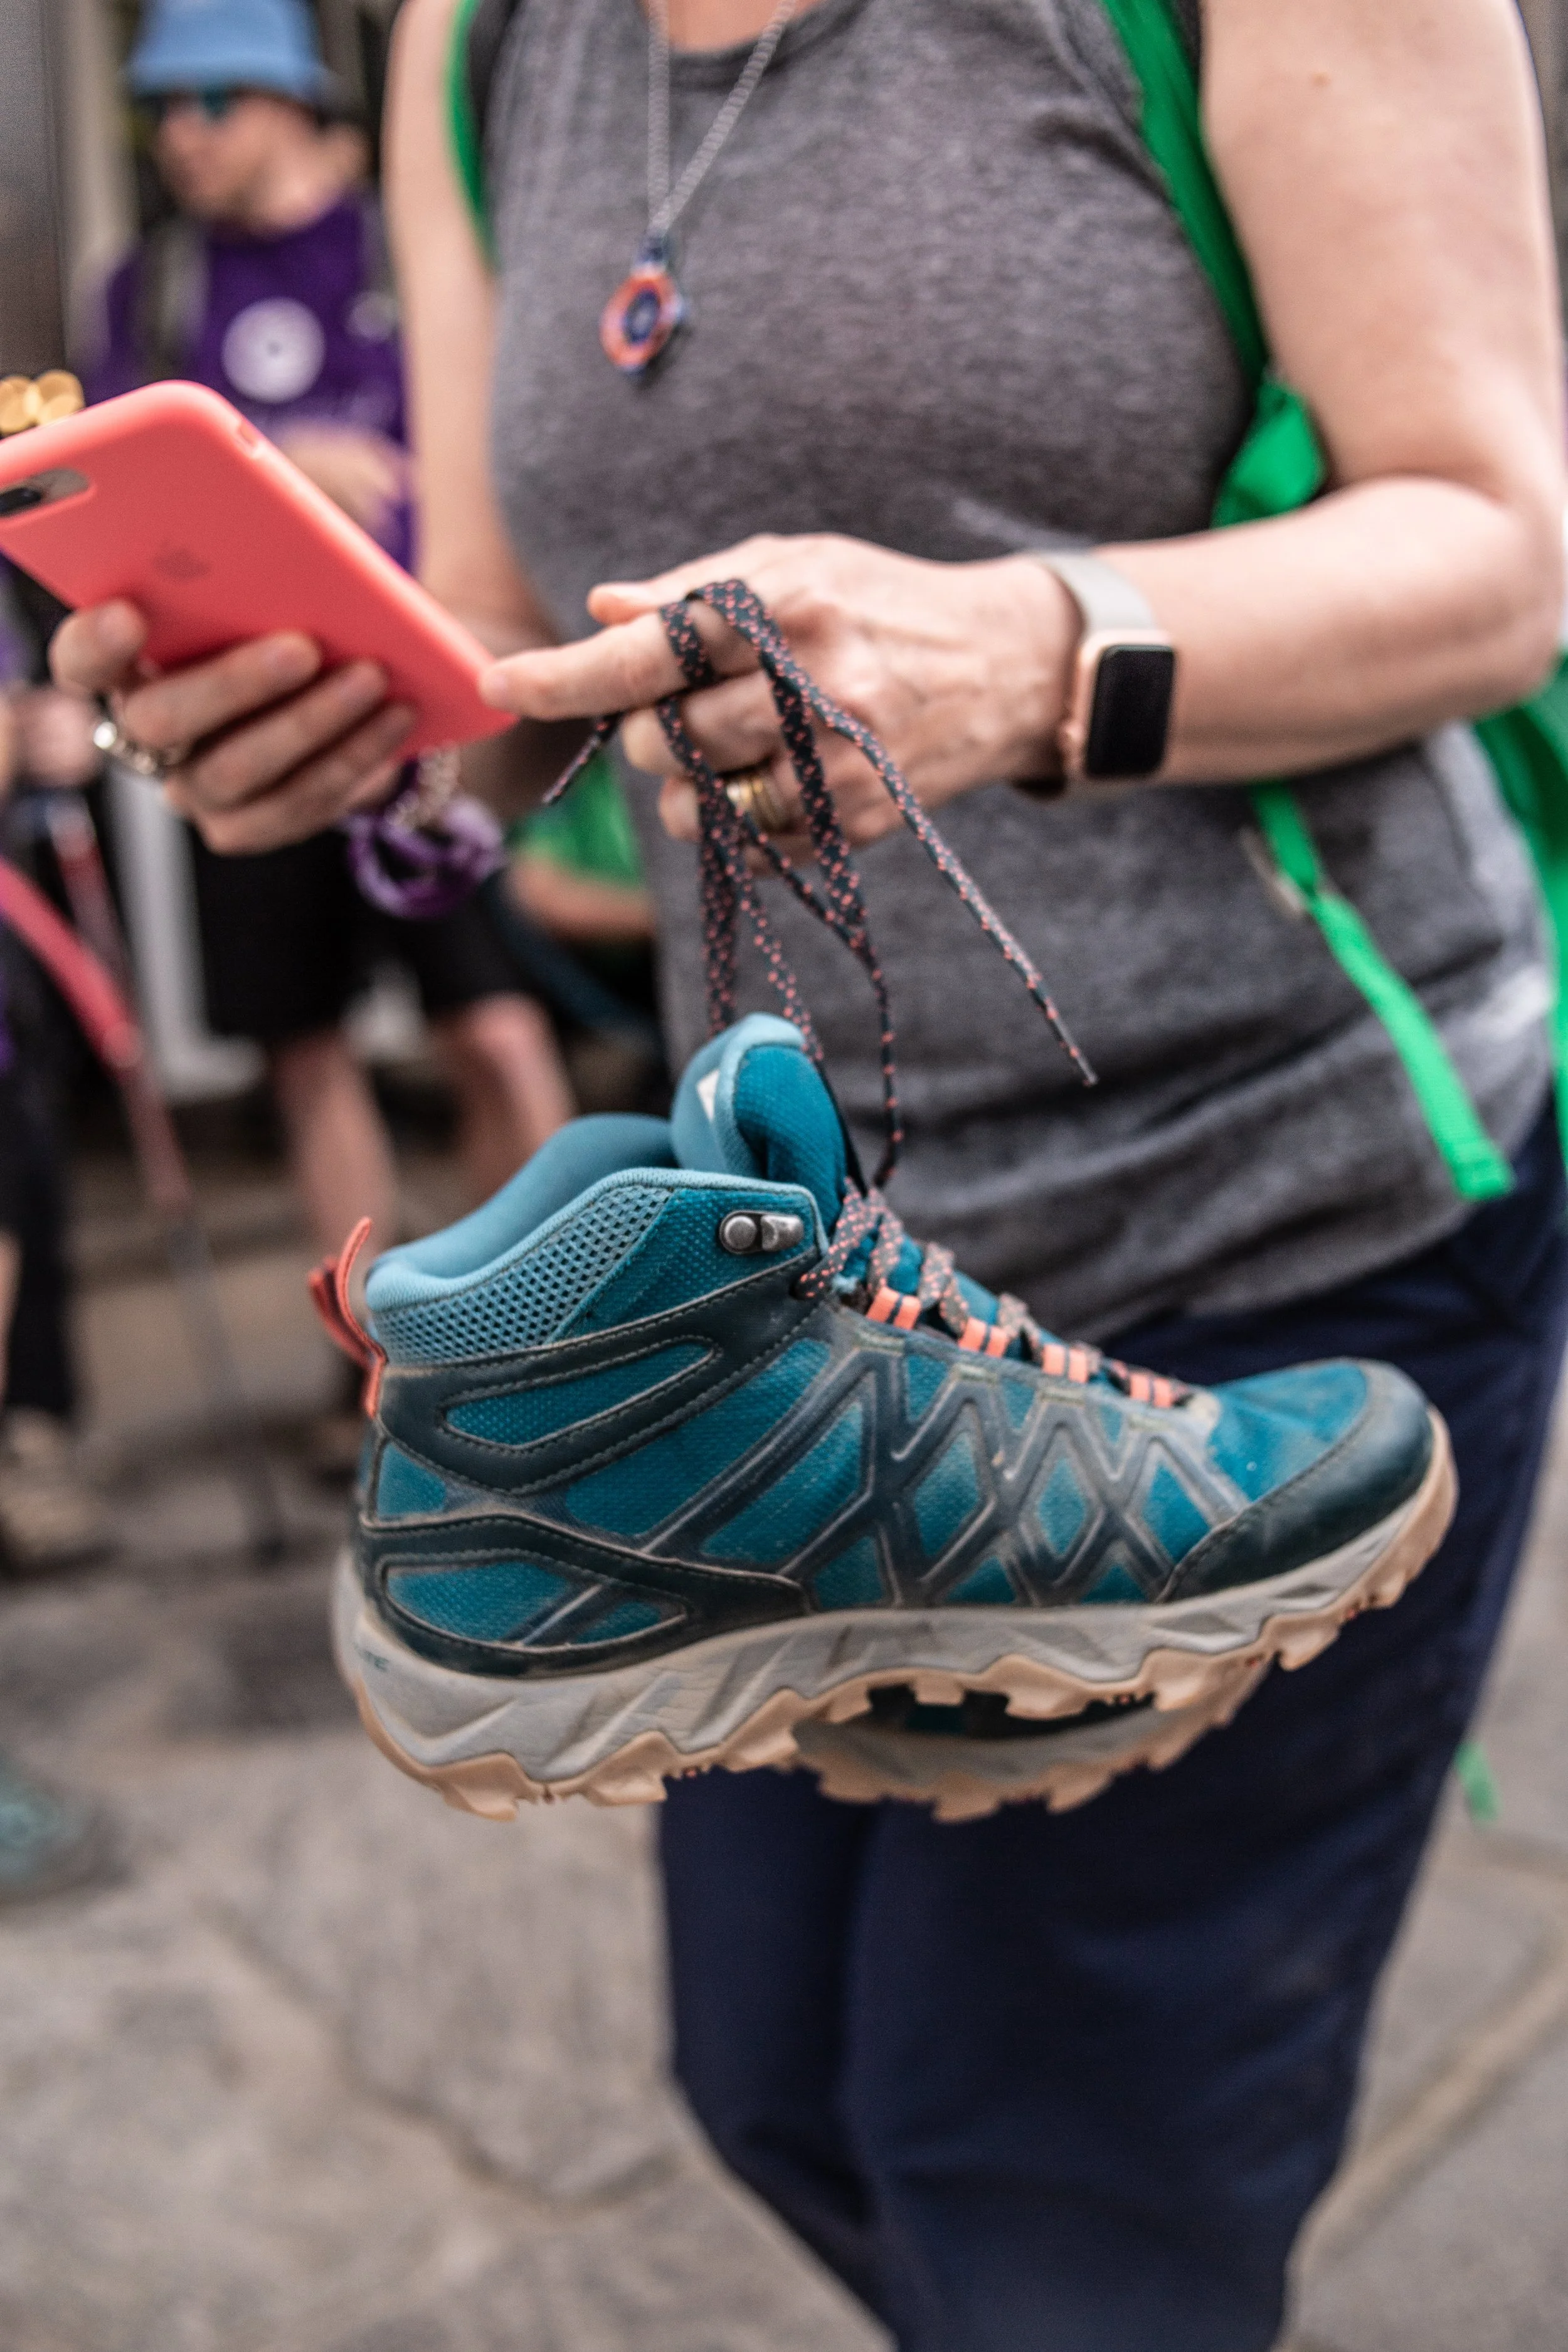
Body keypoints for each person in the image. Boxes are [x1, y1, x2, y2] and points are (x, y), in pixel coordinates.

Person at [53, 1, 1568, 2345]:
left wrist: (1028, 649)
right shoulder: (484, 35)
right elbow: (504, 640)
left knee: (1047, 2199)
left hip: (1276, 1202)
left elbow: (1500, 546)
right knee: (774, 2086)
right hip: (799, 1311)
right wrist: (360, 727)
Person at [88, 0, 573, 1313]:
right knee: (303, 1049)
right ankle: (371, 1359)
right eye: (160, 109)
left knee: (495, 1023)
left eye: (212, 101)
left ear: (295, 100)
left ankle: (565, 1330)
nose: (182, 135)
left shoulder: (401, 242)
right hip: (244, 714)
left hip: (422, 713)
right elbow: (120, 497)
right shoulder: (149, 291)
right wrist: (270, 474)